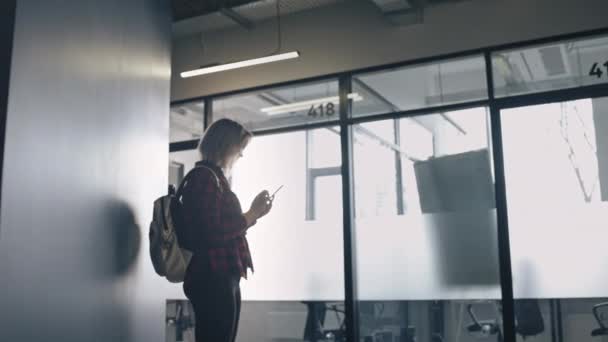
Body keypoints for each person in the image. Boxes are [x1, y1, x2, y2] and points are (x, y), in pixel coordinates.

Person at [180, 118, 272, 342]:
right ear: (225, 145)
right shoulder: (205, 178)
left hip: (218, 275)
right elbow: (213, 233)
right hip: (213, 277)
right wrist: (251, 213)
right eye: (240, 147)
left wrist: (254, 214)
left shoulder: (213, 178)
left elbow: (220, 230)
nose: (241, 154)